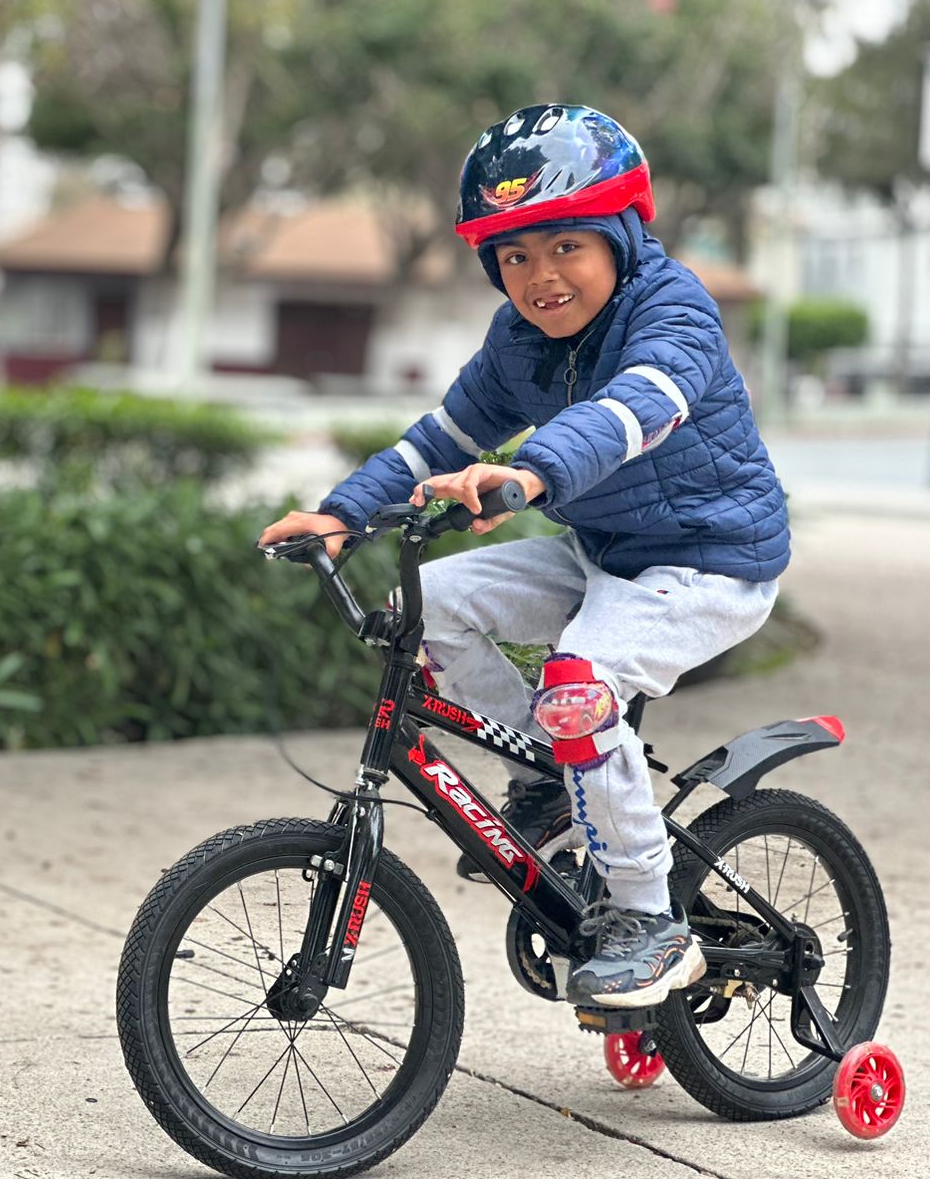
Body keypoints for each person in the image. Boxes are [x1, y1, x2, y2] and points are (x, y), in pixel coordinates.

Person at [257, 104, 789, 1009]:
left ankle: (648, 920)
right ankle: (548, 774)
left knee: (578, 680)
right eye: (514, 257)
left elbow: (634, 412)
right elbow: (442, 437)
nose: (540, 278)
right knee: (436, 605)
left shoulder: (674, 310)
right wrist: (342, 514)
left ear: (620, 233)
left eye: (565, 248)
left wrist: (531, 474)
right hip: (607, 555)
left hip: (709, 564)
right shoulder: (519, 342)